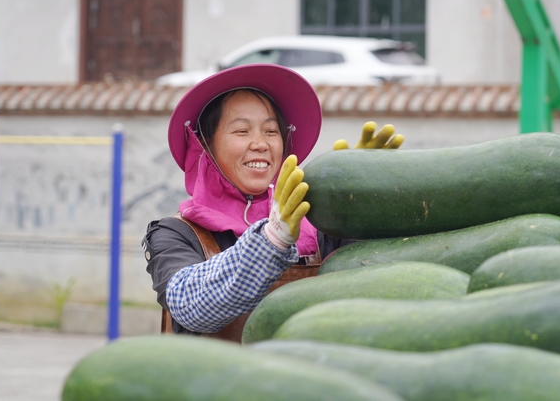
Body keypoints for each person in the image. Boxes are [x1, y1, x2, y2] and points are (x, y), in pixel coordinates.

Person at [142, 63, 402, 338]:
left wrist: (360, 204)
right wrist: (272, 238)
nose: (260, 144)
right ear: (205, 144)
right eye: (242, 131)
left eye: (271, 131)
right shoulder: (174, 234)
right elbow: (190, 307)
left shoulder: (317, 219)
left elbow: (376, 277)